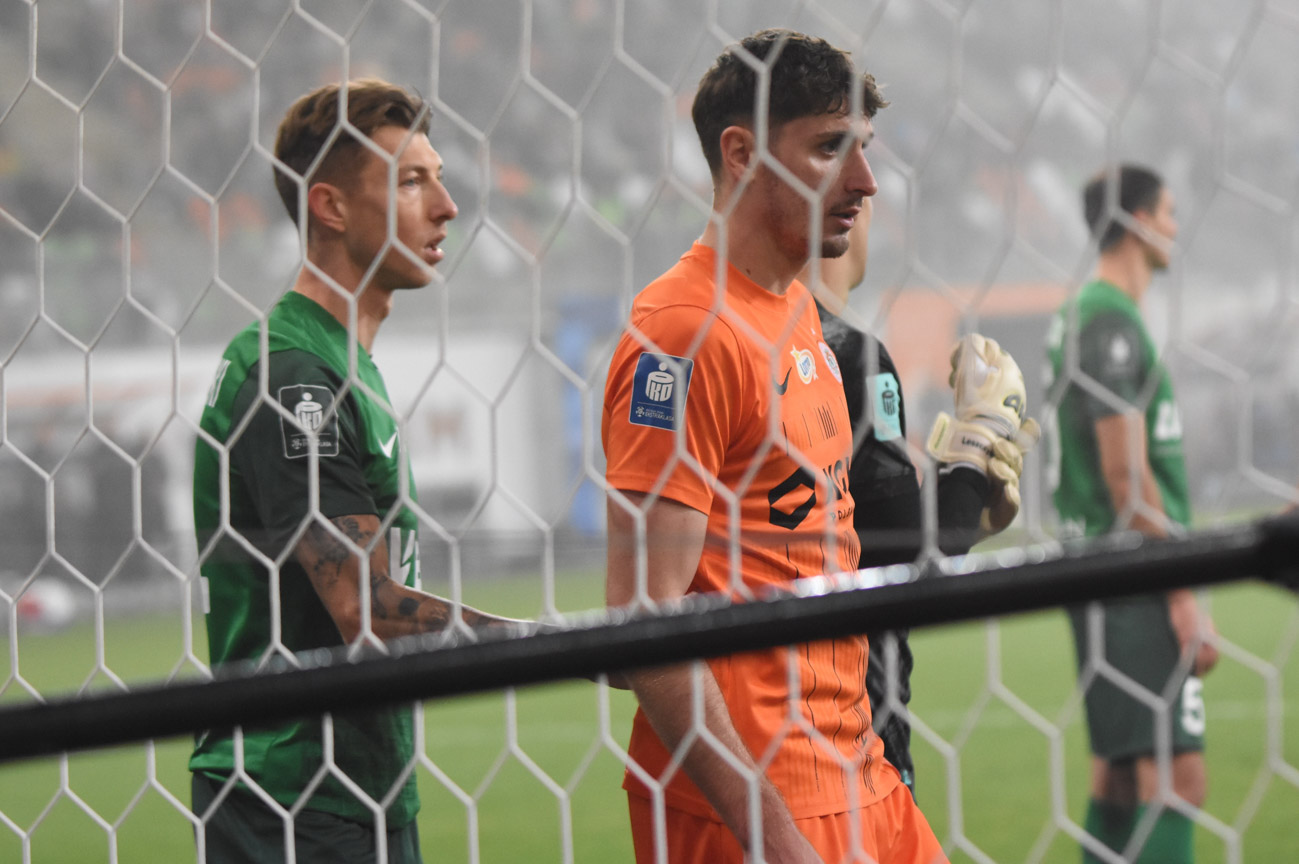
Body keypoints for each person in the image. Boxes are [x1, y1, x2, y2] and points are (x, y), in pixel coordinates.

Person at [600, 29, 1019, 863]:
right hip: (755, 807)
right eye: (830, 149)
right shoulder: (682, 334)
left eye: (863, 149)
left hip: (861, 772)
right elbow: (643, 628)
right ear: (739, 154)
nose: (864, 181)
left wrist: (965, 502)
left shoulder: (796, 312)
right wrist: (774, 836)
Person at [189, 78, 518, 864]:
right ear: (331, 207)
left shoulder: (342, 363)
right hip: (294, 793)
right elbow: (366, 611)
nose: (447, 206)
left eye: (439, 178)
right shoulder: (294, 377)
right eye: (410, 182)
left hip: (356, 781)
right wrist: (570, 647)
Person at [802, 200, 1038, 799]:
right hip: (854, 728)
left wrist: (964, 516)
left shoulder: (745, 335)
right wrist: (977, 443)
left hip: (775, 717)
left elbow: (847, 539)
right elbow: (905, 563)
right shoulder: (847, 353)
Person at [1046, 164, 1219, 863]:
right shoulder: (1110, 320)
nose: (1175, 227)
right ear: (1139, 222)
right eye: (1168, 212)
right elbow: (1127, 482)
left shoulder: (1080, 314)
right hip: (1131, 573)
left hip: (1097, 570)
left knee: (1117, 779)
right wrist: (1181, 592)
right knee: (1178, 781)